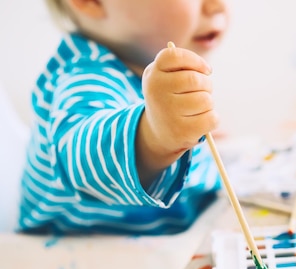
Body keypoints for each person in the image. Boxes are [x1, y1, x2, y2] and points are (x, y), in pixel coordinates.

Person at [18, 0, 230, 235]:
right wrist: (155, 139)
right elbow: (87, 162)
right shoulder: (84, 76)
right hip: (89, 263)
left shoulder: (141, 73)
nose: (216, 5)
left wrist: (187, 140)